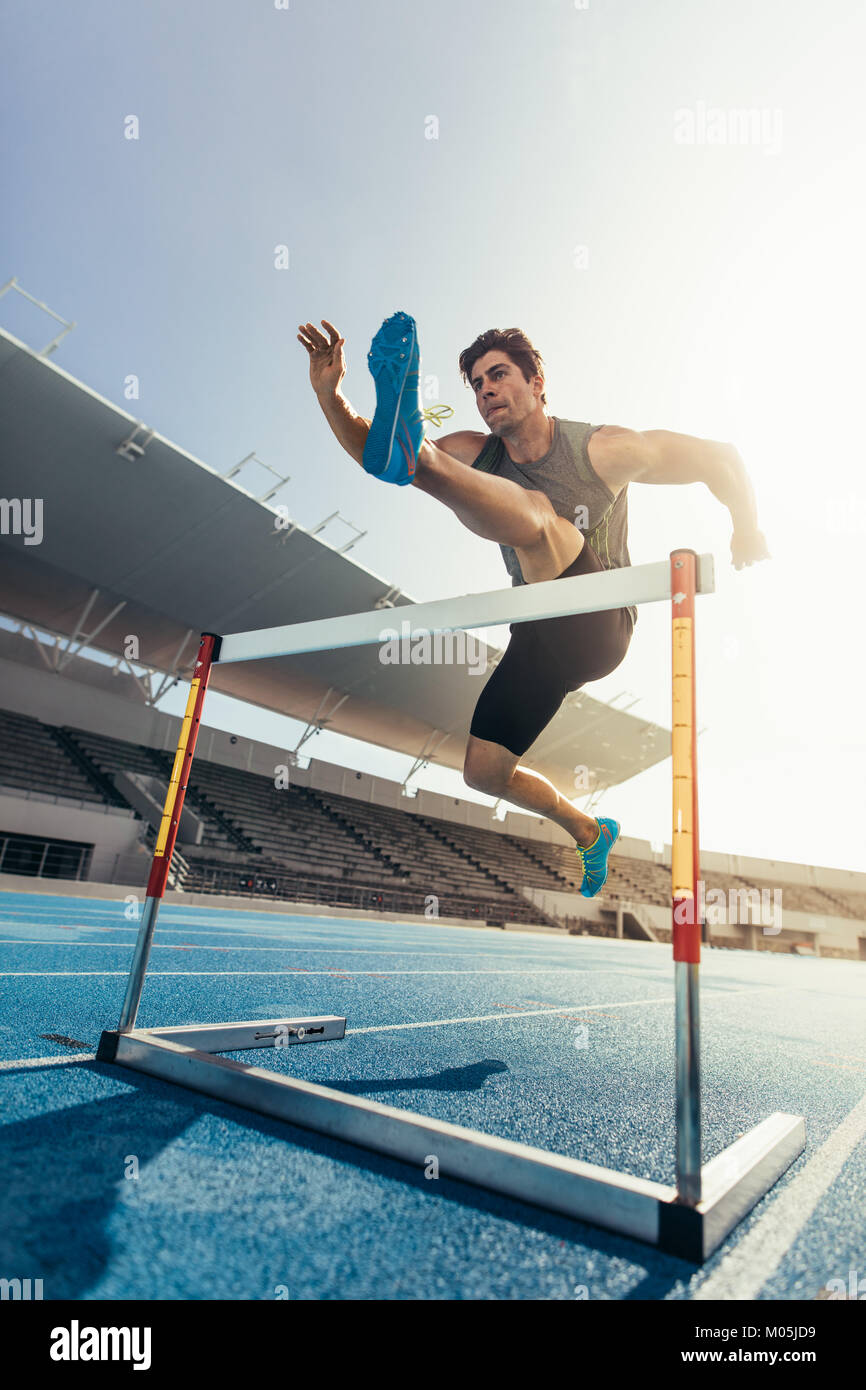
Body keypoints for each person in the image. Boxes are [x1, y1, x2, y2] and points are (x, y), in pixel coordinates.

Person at [298, 312, 769, 897]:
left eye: (497, 375)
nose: (486, 390)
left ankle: (418, 456)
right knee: (483, 773)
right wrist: (330, 394)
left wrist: (745, 526)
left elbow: (718, 457)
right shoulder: (478, 450)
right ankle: (588, 830)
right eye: (475, 384)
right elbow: (377, 455)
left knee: (539, 515)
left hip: (600, 623)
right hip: (539, 638)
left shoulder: (601, 450)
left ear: (537, 382)